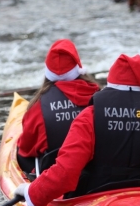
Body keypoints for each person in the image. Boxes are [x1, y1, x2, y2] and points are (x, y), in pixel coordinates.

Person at [14, 54, 140, 206]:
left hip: (95, 193)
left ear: (111, 80)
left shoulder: (89, 116)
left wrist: (32, 193)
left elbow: (66, 172)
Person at [17, 40, 101, 177]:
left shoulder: (38, 106)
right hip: (97, 173)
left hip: (57, 176)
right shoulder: (99, 95)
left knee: (19, 151)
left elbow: (27, 149)